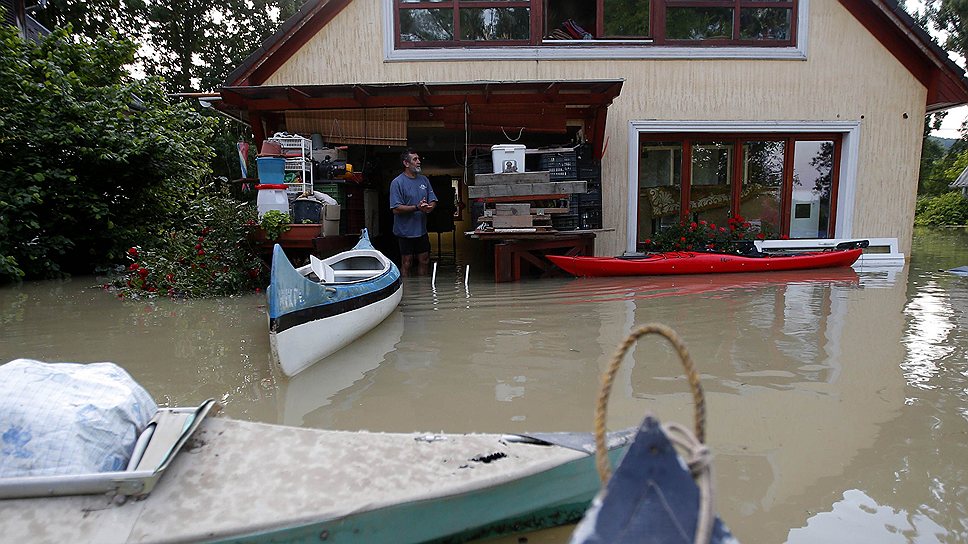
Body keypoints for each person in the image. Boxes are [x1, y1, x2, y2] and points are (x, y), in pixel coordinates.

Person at [390, 150, 437, 276]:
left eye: (419, 159)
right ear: (406, 163)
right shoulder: (397, 182)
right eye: (415, 159)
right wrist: (417, 207)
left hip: (421, 230)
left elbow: (433, 200)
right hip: (404, 231)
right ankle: (407, 290)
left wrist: (429, 207)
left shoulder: (424, 180)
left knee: (425, 260)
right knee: (407, 262)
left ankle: (424, 291)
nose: (419, 162)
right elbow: (395, 208)